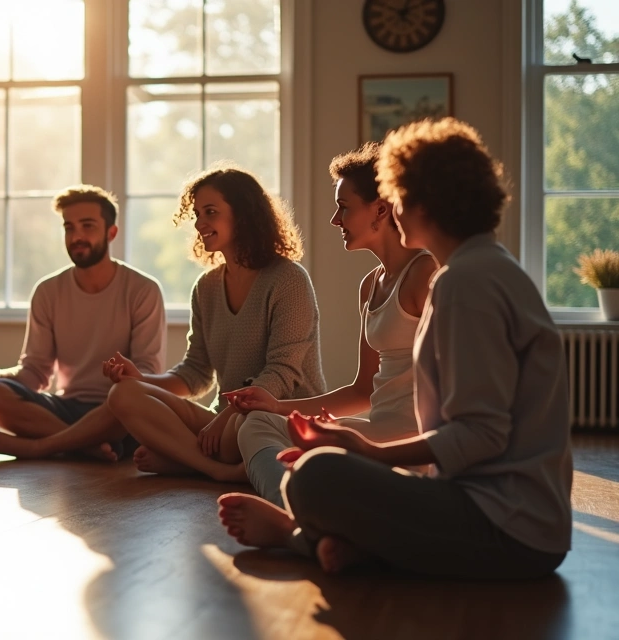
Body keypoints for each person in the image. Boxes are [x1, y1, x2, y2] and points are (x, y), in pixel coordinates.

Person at [218, 118, 573, 580]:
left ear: (422, 203)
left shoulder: (466, 283)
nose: (393, 207)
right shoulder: (482, 270)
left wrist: (367, 451)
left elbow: (482, 436)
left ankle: (295, 536)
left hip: (510, 531)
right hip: (506, 519)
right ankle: (352, 546)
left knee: (316, 476)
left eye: (397, 195)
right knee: (318, 466)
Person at [224, 143, 436, 505]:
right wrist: (275, 405)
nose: (335, 220)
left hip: (408, 445)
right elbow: (362, 390)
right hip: (375, 431)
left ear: (380, 209)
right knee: (257, 423)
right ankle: (291, 503)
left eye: (344, 207)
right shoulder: (370, 284)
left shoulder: (426, 275)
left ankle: (300, 506)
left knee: (313, 460)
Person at [108, 164, 326, 482]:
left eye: (210, 212)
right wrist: (140, 379)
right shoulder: (206, 287)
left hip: (276, 415)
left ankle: (190, 462)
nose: (200, 223)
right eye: (197, 214)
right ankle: (217, 469)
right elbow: (195, 373)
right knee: (123, 395)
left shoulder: (289, 279)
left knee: (234, 434)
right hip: (223, 419)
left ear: (244, 215)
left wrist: (227, 417)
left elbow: (282, 373)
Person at [0, 185, 167, 461]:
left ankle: (45, 446)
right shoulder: (47, 291)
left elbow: (146, 374)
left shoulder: (143, 290)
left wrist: (123, 386)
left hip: (119, 410)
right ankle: (86, 446)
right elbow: (35, 372)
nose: (77, 237)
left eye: (87, 226)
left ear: (112, 232)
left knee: (134, 400)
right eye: (69, 227)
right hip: (67, 407)